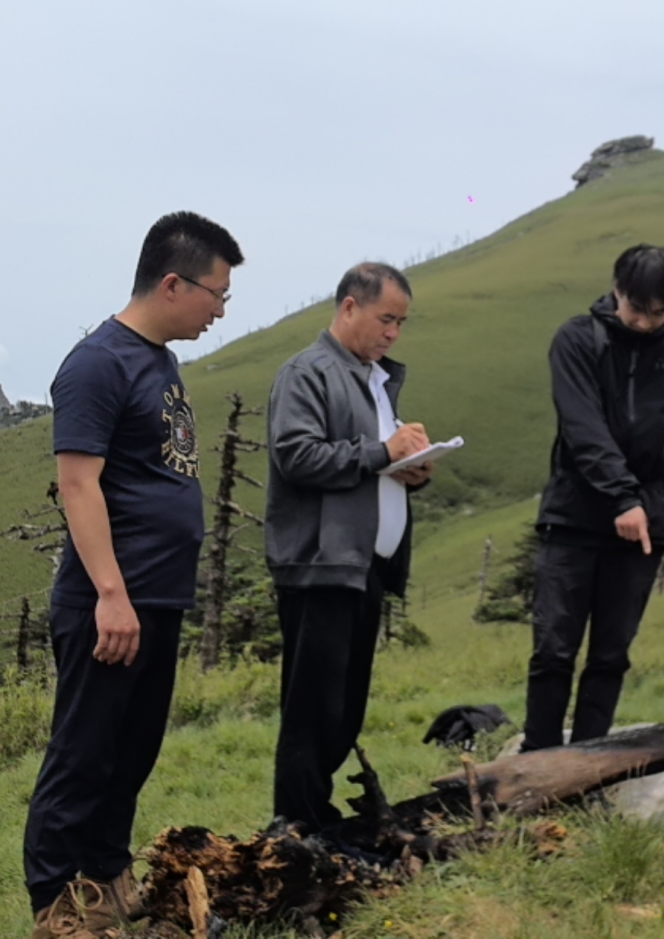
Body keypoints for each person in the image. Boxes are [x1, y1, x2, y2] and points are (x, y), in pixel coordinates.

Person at [24, 211, 244, 938]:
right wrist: (111, 595)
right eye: (217, 294)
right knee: (83, 753)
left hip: (158, 595)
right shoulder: (98, 362)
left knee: (131, 751)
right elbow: (78, 483)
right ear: (173, 283)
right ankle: (59, 907)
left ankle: (109, 882)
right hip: (109, 601)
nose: (220, 310)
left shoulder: (159, 362)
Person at [265, 262, 432, 837]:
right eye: (386, 319)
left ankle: (319, 820)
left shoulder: (375, 380)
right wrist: (384, 453)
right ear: (350, 307)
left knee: (344, 706)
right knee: (313, 708)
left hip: (364, 567)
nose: (393, 333)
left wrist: (411, 470)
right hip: (321, 564)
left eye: (401, 323)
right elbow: (296, 455)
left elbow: (372, 464)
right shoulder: (307, 373)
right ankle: (298, 825)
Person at [522, 244, 664, 752]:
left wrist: (654, 501)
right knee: (553, 650)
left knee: (611, 655)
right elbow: (582, 427)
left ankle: (590, 762)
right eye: (636, 309)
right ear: (616, 291)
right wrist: (623, 498)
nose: (645, 323)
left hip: (643, 527)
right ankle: (538, 761)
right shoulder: (577, 340)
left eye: (659, 313)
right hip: (574, 518)